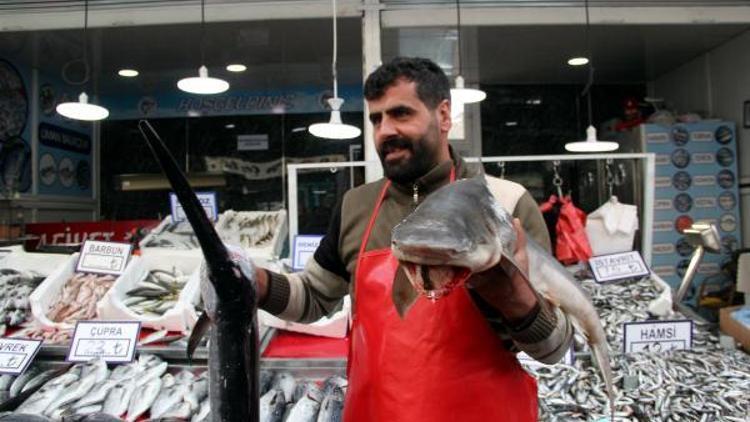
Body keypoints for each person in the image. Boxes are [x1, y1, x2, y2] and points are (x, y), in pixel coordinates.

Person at [255, 57, 573, 421]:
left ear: (443, 116)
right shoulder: (355, 206)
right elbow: (312, 297)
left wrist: (516, 301)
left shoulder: (505, 204)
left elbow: (555, 346)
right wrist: (258, 283)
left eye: (400, 114)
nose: (384, 131)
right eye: (376, 119)